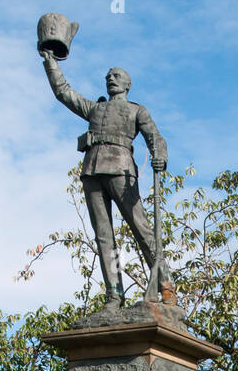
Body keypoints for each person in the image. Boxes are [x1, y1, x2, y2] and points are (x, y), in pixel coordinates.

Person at [43, 55, 174, 307]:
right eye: (108, 76)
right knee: (104, 236)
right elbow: (63, 92)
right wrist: (51, 62)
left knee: (141, 229)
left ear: (127, 84)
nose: (110, 78)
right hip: (92, 171)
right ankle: (115, 293)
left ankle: (165, 285)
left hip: (121, 170)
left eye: (116, 76)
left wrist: (160, 155)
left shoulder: (137, 110)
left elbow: (155, 137)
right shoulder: (95, 108)